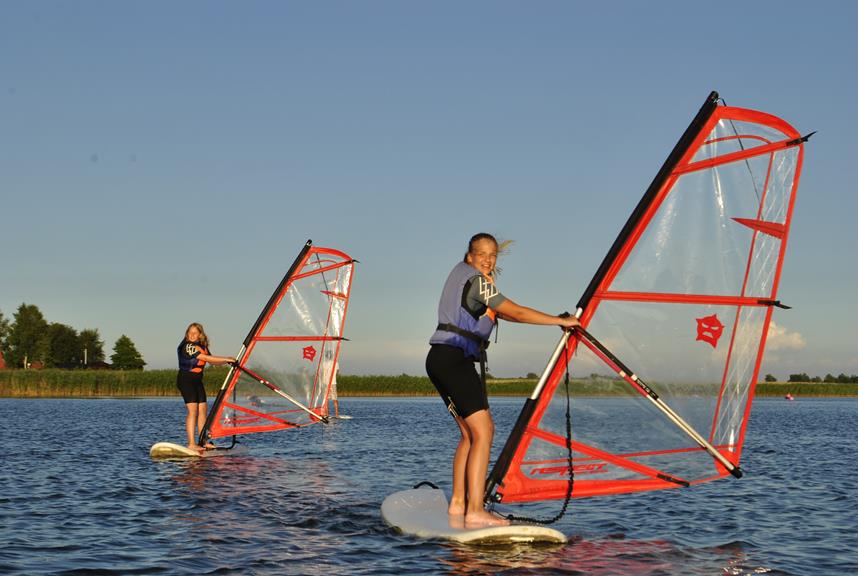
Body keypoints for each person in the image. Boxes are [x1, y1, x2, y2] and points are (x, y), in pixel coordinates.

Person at [426, 233, 579, 528]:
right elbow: (517, 312)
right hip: (454, 361)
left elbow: (494, 316)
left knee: (470, 435)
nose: (487, 259)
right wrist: (561, 321)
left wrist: (491, 314)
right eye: (481, 254)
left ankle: (458, 504)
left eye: (492, 255)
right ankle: (475, 510)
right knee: (485, 431)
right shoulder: (478, 281)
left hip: (438, 360)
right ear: (469, 255)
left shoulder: (460, 276)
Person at [176, 322, 235, 454]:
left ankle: (203, 442)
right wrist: (226, 358)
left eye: (195, 333)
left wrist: (227, 361)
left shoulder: (202, 346)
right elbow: (203, 357)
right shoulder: (188, 346)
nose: (192, 335)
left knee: (203, 410)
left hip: (197, 381)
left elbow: (211, 360)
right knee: (193, 412)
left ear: (200, 334)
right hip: (186, 380)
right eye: (189, 333)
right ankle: (191, 444)